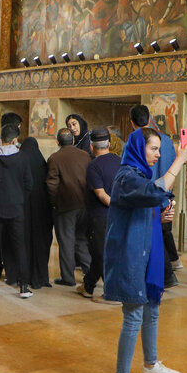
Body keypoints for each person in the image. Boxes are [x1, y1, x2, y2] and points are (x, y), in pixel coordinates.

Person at [105, 128, 187, 373]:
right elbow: (153, 191)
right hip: (130, 254)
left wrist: (161, 216)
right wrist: (178, 161)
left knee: (152, 308)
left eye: (159, 150)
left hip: (146, 251)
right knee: (133, 314)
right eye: (153, 149)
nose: (158, 155)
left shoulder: (141, 174)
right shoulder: (126, 176)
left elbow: (149, 200)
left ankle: (151, 366)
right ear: (137, 148)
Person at [129, 105, 181, 285]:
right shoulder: (166, 140)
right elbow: (171, 173)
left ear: (131, 122)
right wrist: (166, 197)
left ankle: (165, 277)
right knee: (158, 238)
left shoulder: (134, 142)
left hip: (146, 198)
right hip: (164, 197)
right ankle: (165, 276)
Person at [0, 123, 33, 298]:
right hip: (17, 209)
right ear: (14, 140)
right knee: (20, 246)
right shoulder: (23, 158)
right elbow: (29, 184)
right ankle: (24, 286)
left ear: (1, 139)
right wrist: (19, 198)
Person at [46, 128, 92, 286]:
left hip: (65, 206)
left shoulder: (54, 158)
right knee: (81, 240)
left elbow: (52, 185)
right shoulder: (85, 155)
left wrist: (54, 202)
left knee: (66, 241)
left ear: (57, 142)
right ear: (72, 140)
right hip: (85, 205)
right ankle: (90, 272)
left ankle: (68, 277)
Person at [81, 128, 120, 301]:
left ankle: (111, 291)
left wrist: (117, 206)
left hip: (100, 217)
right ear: (109, 144)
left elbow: (101, 195)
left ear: (91, 146)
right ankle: (88, 286)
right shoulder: (120, 161)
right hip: (119, 217)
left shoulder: (94, 165)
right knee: (103, 252)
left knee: (100, 253)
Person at [18, 136, 53, 289]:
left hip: (22, 209)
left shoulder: (19, 162)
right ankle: (41, 276)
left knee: (23, 242)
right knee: (40, 242)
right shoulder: (42, 164)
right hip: (41, 210)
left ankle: (22, 276)